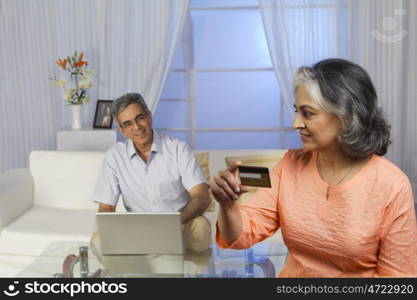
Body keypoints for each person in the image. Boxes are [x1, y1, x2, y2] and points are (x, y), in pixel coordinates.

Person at [211, 58, 417, 277]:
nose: (296, 123)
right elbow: (241, 235)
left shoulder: (392, 185)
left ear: (346, 116)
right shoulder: (290, 164)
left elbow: (398, 279)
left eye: (308, 113)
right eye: (297, 111)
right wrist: (228, 205)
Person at [91, 93, 212, 257]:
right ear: (122, 131)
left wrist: (175, 223)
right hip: (138, 230)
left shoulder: (178, 149)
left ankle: (196, 275)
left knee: (201, 228)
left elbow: (202, 197)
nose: (136, 127)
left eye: (139, 118)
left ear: (149, 116)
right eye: (127, 124)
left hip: (181, 224)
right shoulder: (114, 156)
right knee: (98, 240)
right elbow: (106, 208)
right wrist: (114, 231)